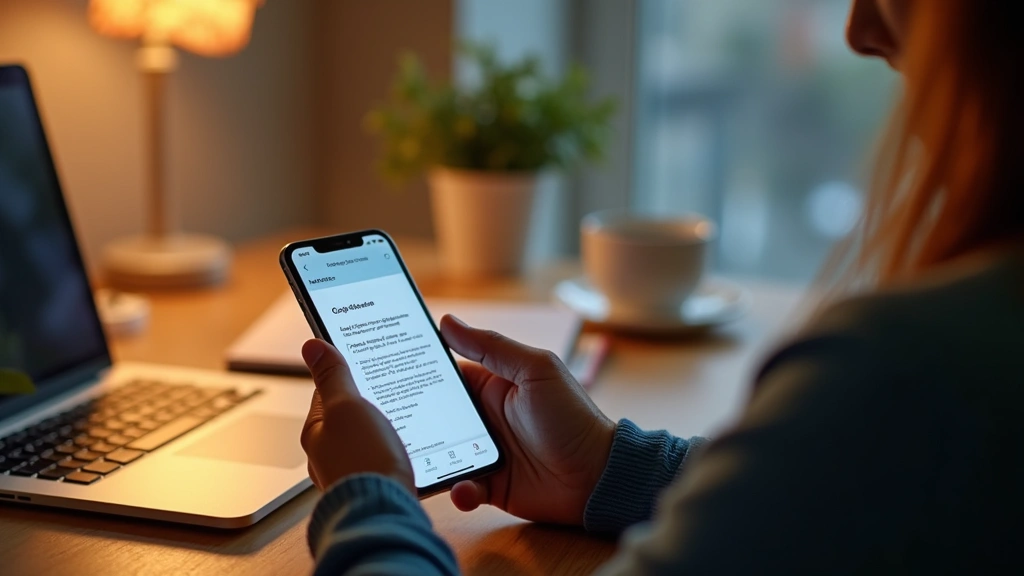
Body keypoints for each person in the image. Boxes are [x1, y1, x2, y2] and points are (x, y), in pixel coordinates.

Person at [299, 0, 1024, 573]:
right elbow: (864, 500)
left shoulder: (903, 373)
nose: (861, 27)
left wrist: (375, 502)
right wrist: (612, 470)